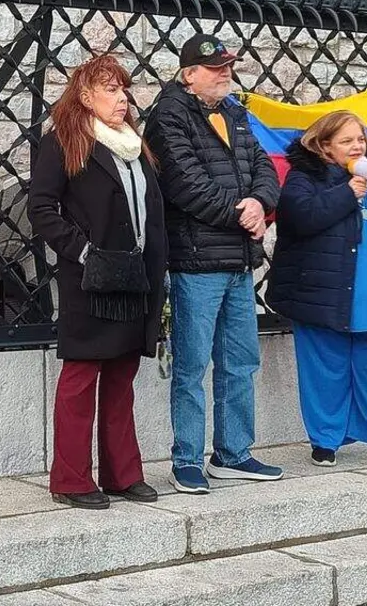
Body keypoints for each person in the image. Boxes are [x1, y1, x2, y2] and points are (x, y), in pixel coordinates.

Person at [144, 34, 283, 494]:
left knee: (240, 361)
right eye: (215, 67)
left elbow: (264, 167)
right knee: (191, 366)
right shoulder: (168, 115)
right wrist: (241, 213)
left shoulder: (235, 112)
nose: (225, 73)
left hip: (239, 259)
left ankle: (233, 453)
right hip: (197, 261)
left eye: (228, 66)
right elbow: (184, 184)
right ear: (189, 74)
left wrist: (261, 202)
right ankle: (186, 459)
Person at [28, 54, 167, 510]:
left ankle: (122, 474)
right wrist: (84, 251)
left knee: (122, 374)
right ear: (85, 96)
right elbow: (42, 209)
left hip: (136, 276)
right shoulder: (64, 142)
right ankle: (70, 478)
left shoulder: (134, 144)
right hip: (90, 278)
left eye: (124, 90)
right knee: (82, 375)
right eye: (110, 90)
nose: (121, 99)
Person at [266, 110, 367, 467]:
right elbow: (301, 217)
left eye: (360, 139)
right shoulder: (303, 178)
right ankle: (326, 440)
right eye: (347, 141)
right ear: (325, 147)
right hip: (322, 293)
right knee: (325, 367)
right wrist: (346, 193)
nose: (358, 146)